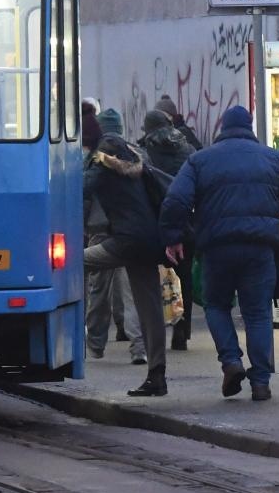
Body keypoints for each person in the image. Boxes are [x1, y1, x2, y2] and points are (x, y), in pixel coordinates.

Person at [161, 104, 279, 401]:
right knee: (258, 312)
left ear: (222, 127)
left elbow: (176, 198)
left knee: (216, 305)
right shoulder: (273, 158)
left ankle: (231, 361)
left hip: (217, 248)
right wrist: (274, 210)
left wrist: (173, 236)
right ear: (249, 127)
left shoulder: (200, 160)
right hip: (259, 248)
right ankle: (261, 381)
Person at [84, 133, 171, 397]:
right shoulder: (139, 166)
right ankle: (157, 375)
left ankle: (71, 338)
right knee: (150, 308)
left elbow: (78, 190)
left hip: (126, 242)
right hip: (151, 241)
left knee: (72, 263)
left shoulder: (102, 168)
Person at [141, 109, 197, 351]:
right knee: (185, 276)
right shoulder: (188, 149)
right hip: (186, 221)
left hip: (156, 222)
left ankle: (157, 331)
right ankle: (182, 329)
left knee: (154, 279)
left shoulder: (145, 152)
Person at [96, 108, 140, 349]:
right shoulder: (137, 154)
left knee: (97, 288)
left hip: (100, 230)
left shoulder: (93, 157)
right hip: (130, 230)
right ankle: (138, 344)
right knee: (130, 288)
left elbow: (85, 195)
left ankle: (95, 342)